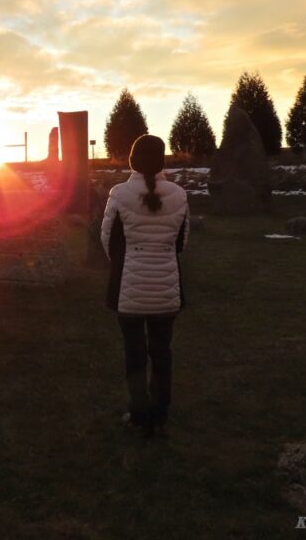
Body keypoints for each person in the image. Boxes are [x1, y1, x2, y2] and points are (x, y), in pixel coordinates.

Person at [100, 134, 190, 436]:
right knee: (162, 352)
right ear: (162, 160)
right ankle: (160, 413)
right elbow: (181, 242)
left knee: (135, 354)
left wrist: (125, 264)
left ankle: (138, 415)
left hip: (129, 288)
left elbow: (108, 240)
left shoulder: (119, 194)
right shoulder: (178, 194)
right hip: (167, 287)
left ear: (132, 160)